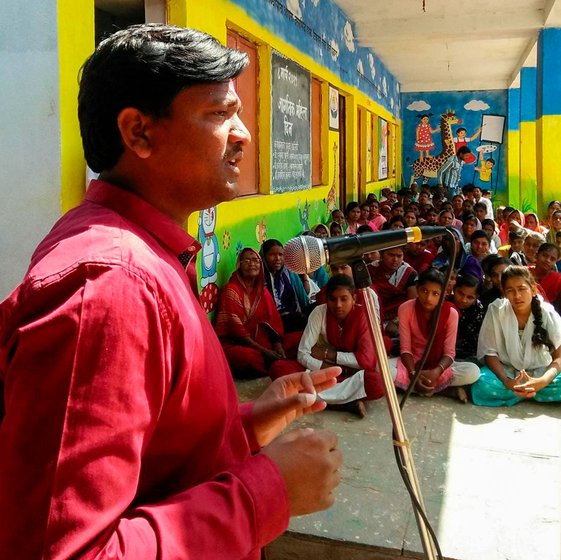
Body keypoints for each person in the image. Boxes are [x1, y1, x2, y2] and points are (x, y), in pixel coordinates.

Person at [0, 25, 343, 559]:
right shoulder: (110, 285)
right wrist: (265, 494)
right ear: (138, 133)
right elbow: (66, 550)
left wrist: (244, 429)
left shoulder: (148, 255)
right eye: (218, 113)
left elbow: (156, 461)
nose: (244, 134)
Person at [271, 275, 385, 418]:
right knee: (279, 369)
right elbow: (302, 353)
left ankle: (307, 398)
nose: (338, 305)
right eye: (333, 299)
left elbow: (366, 361)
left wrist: (328, 354)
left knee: (377, 382)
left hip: (349, 375)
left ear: (354, 299)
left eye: (344, 299)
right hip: (323, 371)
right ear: (326, 298)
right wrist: (328, 368)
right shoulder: (319, 312)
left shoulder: (364, 315)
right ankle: (346, 402)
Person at [472, 266, 561, 406]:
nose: (517, 295)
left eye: (521, 289)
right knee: (482, 383)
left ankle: (521, 393)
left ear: (533, 290)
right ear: (504, 293)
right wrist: (506, 381)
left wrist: (542, 381)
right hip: (507, 372)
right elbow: (490, 353)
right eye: (510, 290)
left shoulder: (547, 313)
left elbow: (559, 357)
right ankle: (528, 393)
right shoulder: (496, 310)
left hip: (542, 372)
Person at [388, 269, 480, 401]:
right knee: (381, 370)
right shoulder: (406, 308)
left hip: (438, 366)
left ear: (443, 294)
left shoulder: (451, 313)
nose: (429, 298)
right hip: (410, 363)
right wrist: (413, 373)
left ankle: (412, 387)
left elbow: (449, 353)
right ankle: (443, 390)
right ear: (417, 289)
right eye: (424, 291)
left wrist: (436, 372)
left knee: (473, 372)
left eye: (435, 293)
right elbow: (405, 349)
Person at [215, 248, 302, 379]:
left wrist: (277, 345)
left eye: (256, 260)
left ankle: (276, 361)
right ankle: (277, 363)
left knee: (301, 339)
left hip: (264, 342)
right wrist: (264, 351)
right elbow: (237, 333)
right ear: (239, 265)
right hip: (240, 345)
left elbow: (274, 323)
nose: (252, 264)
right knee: (245, 358)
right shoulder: (231, 291)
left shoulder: (263, 292)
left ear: (261, 265)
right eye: (247, 260)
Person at [261, 239, 312, 332]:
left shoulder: (288, 272)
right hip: (274, 319)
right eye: (272, 255)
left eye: (281, 255)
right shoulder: (261, 277)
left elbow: (303, 296)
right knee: (302, 320)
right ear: (263, 257)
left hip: (292, 311)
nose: (277, 258)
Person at [368, 247, 418, 337]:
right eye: (391, 255)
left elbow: (412, 305)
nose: (395, 259)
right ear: (382, 254)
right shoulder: (370, 270)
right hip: (373, 317)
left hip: (398, 319)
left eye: (399, 256)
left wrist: (396, 322)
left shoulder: (409, 273)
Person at [450, 274, 485, 363]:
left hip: (469, 355)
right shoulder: (445, 305)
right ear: (454, 289)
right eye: (460, 293)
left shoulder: (478, 310)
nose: (463, 300)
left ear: (476, 297)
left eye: (470, 297)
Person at [530, 243, 561, 314]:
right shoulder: (524, 273)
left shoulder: (558, 279)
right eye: (544, 255)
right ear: (537, 255)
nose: (548, 260)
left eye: (552, 259)